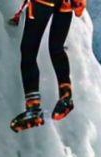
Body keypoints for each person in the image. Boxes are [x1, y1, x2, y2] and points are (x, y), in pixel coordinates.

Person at [10, 0, 85, 132]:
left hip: (42, 3)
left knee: (29, 51)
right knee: (56, 49)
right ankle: (65, 96)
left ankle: (33, 108)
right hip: (67, 3)